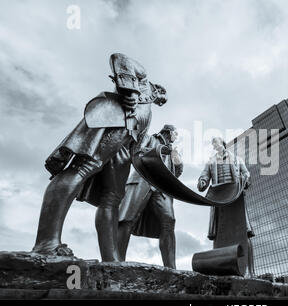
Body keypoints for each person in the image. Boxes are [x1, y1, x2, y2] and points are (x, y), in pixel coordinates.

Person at [32, 53, 167, 262]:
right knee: (83, 168)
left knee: (113, 196)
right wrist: (128, 89)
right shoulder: (143, 79)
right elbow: (120, 58)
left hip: (127, 140)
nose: (161, 98)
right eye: (161, 93)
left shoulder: (148, 106)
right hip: (118, 120)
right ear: (156, 88)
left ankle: (110, 259)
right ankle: (46, 242)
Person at [117, 125, 183, 269]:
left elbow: (177, 173)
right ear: (168, 132)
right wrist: (159, 151)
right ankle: (116, 262)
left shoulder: (173, 150)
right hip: (142, 182)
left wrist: (177, 159)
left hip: (162, 189)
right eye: (175, 133)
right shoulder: (149, 139)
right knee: (127, 220)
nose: (176, 137)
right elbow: (136, 153)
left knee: (169, 222)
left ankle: (171, 268)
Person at [197, 137, 255, 275]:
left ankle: (249, 272)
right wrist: (203, 182)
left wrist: (245, 179)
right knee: (219, 232)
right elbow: (204, 176)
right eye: (212, 144)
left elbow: (246, 173)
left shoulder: (237, 159)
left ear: (222, 144)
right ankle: (221, 270)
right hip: (219, 200)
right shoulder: (210, 162)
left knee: (244, 232)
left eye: (215, 143)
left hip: (235, 198)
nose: (214, 146)